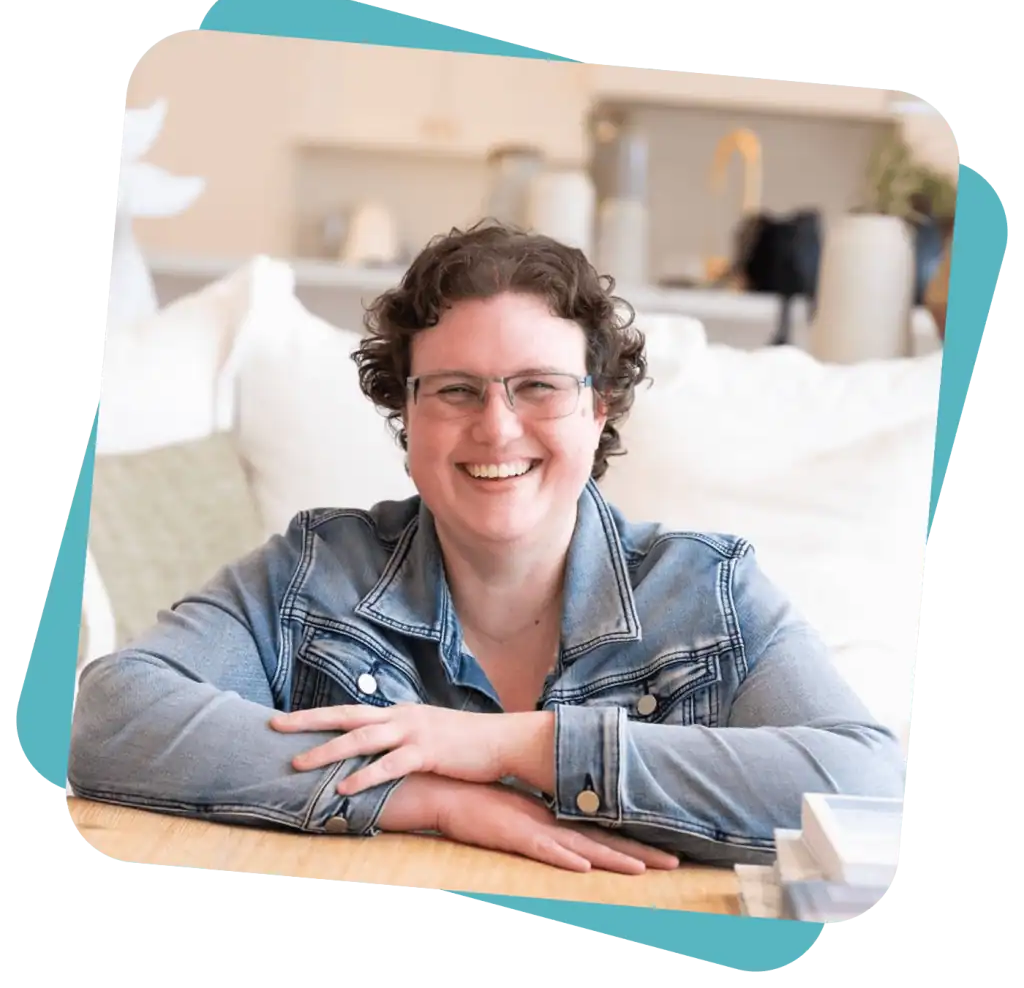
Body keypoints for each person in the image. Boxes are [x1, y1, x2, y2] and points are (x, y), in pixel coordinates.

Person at [69, 221, 906, 875]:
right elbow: (109, 718)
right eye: (456, 391)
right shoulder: (315, 573)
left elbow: (864, 789)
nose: (497, 426)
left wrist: (519, 746)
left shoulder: (707, 590)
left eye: (538, 386)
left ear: (600, 407)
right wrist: (425, 795)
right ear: (407, 416)